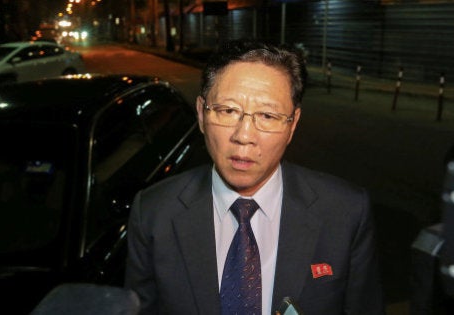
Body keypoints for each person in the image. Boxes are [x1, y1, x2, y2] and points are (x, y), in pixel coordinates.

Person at [124, 39, 384, 314]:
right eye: (227, 111)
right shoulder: (153, 213)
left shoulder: (346, 212)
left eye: (268, 116)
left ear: (292, 124)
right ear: (201, 113)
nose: (244, 136)